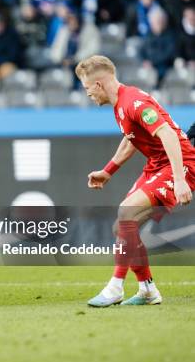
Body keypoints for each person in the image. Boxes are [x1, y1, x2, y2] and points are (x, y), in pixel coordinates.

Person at [75, 55, 195, 307]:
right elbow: (131, 138)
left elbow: (168, 136)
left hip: (181, 164)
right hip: (157, 165)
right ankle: (147, 289)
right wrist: (108, 171)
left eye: (87, 88)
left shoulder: (135, 102)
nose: (87, 94)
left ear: (98, 85)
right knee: (121, 228)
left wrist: (179, 179)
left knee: (126, 213)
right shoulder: (120, 104)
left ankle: (115, 287)